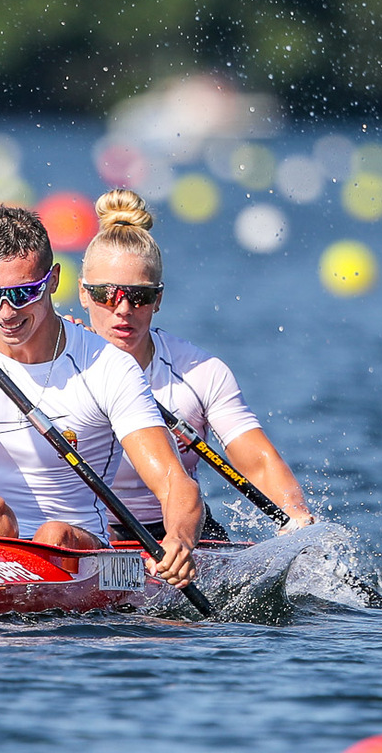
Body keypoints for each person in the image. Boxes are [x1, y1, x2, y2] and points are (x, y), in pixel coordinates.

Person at [0, 205, 205, 586]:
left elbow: (173, 481)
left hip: (78, 552)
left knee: (53, 535)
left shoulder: (108, 366)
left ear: (53, 280)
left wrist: (179, 539)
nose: (5, 312)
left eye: (22, 293)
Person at [78, 188, 316, 542]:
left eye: (139, 296)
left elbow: (258, 462)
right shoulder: (56, 362)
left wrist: (297, 517)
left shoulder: (200, 372)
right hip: (86, 530)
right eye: (106, 294)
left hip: (183, 528)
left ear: (158, 299)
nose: (123, 309)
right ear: (84, 294)